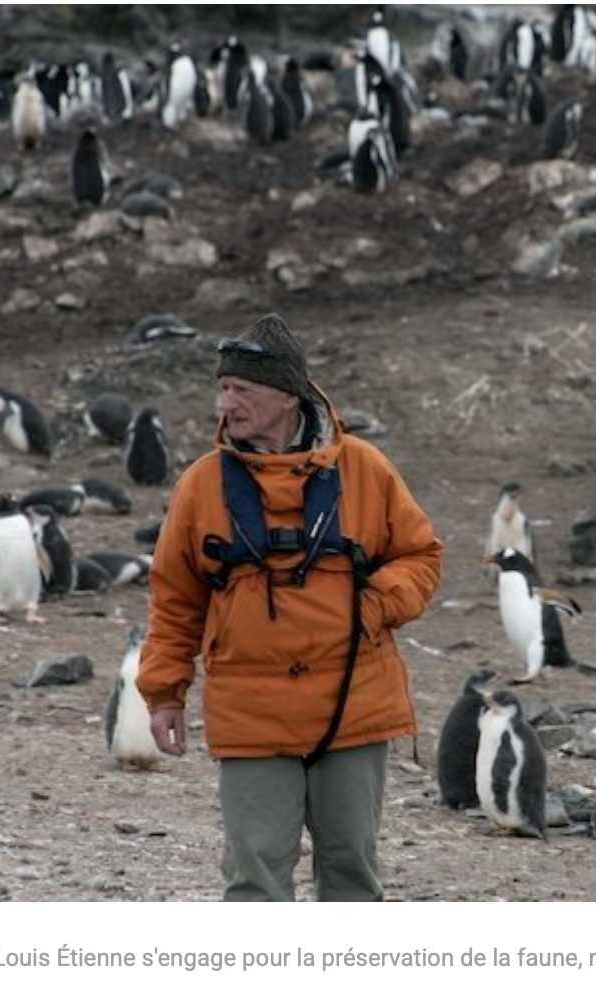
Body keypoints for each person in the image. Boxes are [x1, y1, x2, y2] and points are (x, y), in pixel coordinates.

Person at [137, 313, 443, 901]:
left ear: (287, 396)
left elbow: (420, 555)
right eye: (223, 388)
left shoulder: (364, 468)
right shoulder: (202, 485)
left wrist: (373, 607)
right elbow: (175, 598)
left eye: (243, 390)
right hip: (252, 712)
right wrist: (164, 692)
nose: (227, 403)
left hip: (351, 703)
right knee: (254, 877)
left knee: (351, 869)